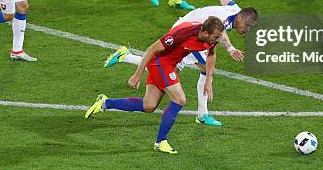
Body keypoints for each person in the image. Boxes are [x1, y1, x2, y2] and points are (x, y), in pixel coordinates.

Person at [104, 0, 258, 126]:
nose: (248, 30)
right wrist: (230, 48)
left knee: (173, 67)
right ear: (241, 19)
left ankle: (126, 56)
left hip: (194, 34)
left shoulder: (235, 10)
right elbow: (221, 35)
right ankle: (202, 114)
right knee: (204, 68)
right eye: (248, 26)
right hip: (187, 34)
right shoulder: (222, 20)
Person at [84, 17, 225, 154]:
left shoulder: (211, 37)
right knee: (180, 99)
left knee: (149, 105)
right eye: (216, 37)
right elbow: (152, 49)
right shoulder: (183, 33)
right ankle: (160, 142)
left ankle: (105, 103)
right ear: (205, 33)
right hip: (160, 62)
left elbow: (211, 54)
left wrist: (208, 81)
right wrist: (138, 74)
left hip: (169, 64)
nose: (218, 40)